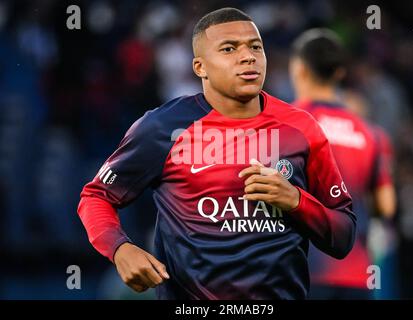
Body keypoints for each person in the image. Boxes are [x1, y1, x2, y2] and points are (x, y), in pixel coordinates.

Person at [77, 8, 356, 300]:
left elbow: (344, 235)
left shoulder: (302, 128)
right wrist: (120, 248)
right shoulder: (161, 127)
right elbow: (96, 196)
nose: (248, 56)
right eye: (229, 49)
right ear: (200, 67)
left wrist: (297, 201)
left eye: (255, 47)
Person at [289, 28, 396, 299]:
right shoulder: (370, 133)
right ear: (339, 73)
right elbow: (386, 204)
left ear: (299, 69)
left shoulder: (287, 123)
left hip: (304, 272)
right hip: (358, 274)